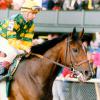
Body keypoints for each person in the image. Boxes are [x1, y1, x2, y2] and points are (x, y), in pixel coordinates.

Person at [0, 0, 42, 76]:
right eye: (33, 13)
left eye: (35, 14)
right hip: (3, 37)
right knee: (13, 52)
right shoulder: (14, 20)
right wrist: (24, 47)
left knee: (22, 53)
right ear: (26, 12)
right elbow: (11, 40)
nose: (34, 16)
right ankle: (1, 72)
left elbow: (27, 40)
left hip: (13, 40)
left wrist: (27, 48)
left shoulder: (31, 24)